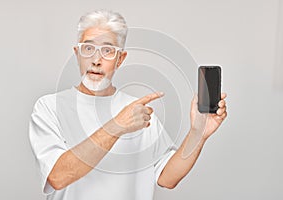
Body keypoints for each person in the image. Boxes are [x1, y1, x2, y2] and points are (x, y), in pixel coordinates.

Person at [29, 10, 227, 200]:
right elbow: (57, 177)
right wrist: (117, 126)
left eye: (107, 51)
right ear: (77, 54)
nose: (96, 60)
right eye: (88, 49)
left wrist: (198, 133)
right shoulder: (49, 107)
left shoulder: (137, 111)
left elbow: (167, 178)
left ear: (120, 59)